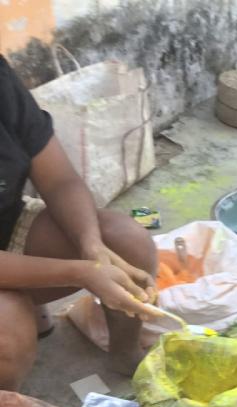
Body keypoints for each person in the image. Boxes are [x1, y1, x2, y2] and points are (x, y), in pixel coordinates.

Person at [0, 55, 160, 390]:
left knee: (127, 241)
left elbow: (60, 180)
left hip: (7, 227)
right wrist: (80, 271)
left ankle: (126, 356)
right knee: (8, 333)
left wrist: (93, 248)